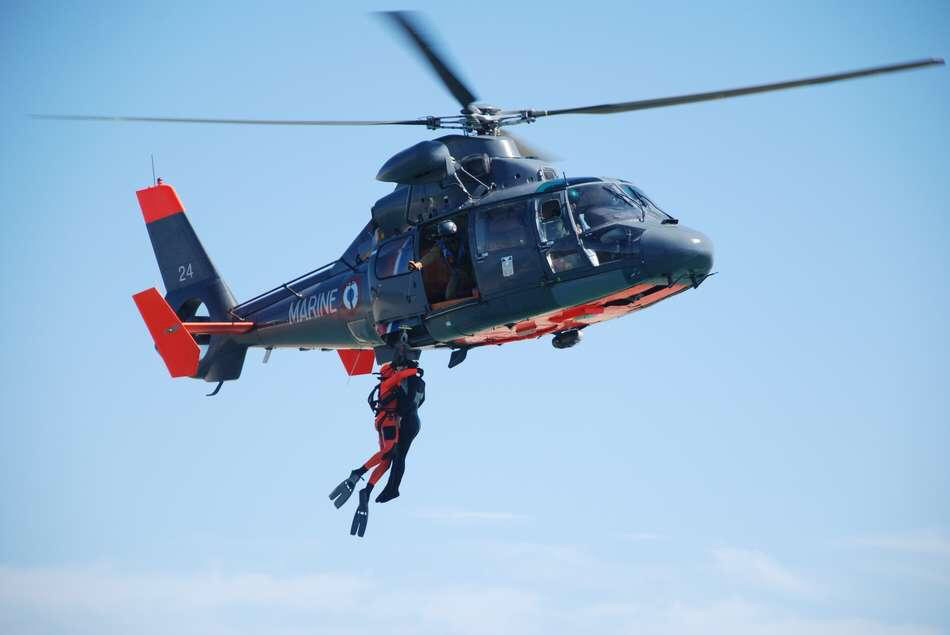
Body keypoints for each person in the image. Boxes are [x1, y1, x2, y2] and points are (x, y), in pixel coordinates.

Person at [328, 359, 425, 537]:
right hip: (388, 421)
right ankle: (358, 472)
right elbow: (404, 376)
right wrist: (415, 370)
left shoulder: (389, 381)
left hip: (385, 421)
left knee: (387, 461)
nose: (397, 371)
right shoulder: (390, 381)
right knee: (389, 451)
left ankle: (368, 490)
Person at [409, 220, 465, 301]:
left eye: (452, 236)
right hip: (458, 272)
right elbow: (430, 256)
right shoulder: (442, 246)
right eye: (446, 237)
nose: (449, 239)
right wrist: (418, 265)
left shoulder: (465, 239)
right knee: (450, 295)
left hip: (472, 267)